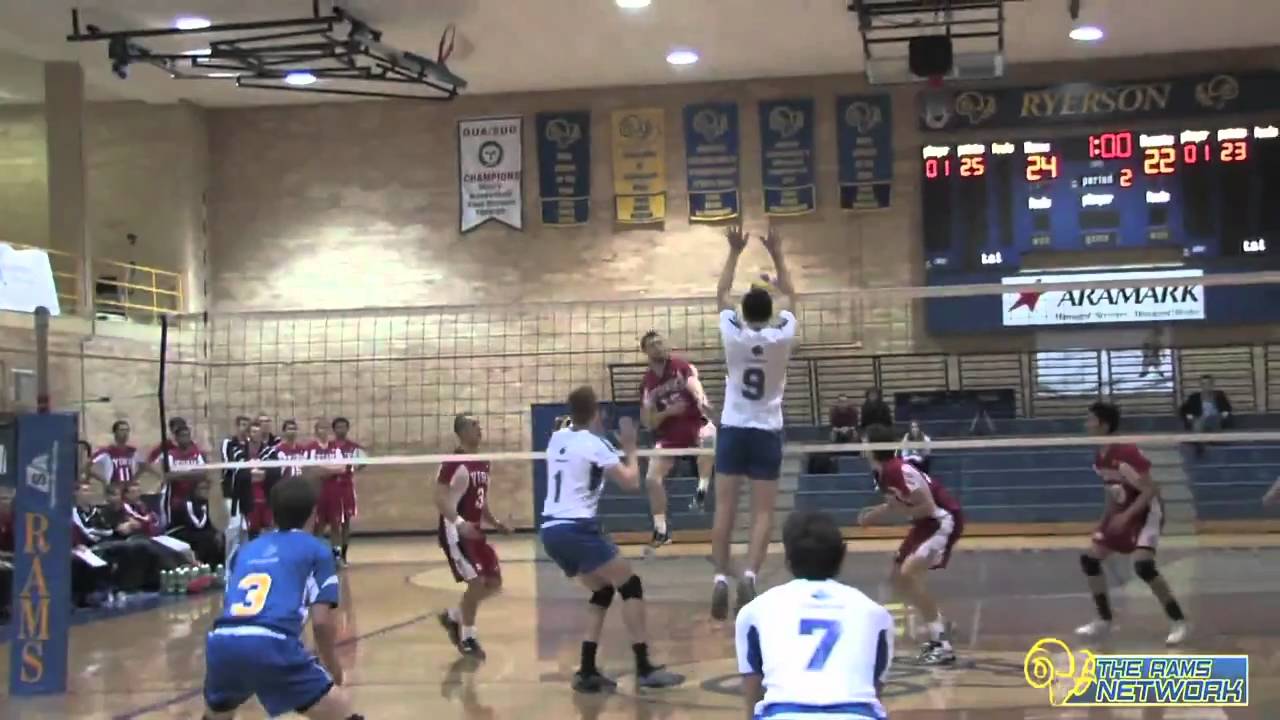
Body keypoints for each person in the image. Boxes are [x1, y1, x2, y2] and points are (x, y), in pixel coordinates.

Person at [539, 385, 684, 693]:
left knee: (603, 590)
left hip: (550, 531)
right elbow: (631, 482)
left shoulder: (557, 438)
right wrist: (630, 448)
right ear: (596, 413)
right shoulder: (596, 444)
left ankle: (587, 670)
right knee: (630, 585)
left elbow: (567, 431)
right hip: (576, 529)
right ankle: (644, 668)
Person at [202, 476, 362, 720]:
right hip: (272, 643)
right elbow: (321, 623)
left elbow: (230, 603)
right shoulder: (317, 549)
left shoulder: (246, 550)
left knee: (217, 715)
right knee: (341, 711)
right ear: (314, 514)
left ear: (272, 514)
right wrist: (333, 668)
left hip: (223, 641)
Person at [710, 224, 798, 620]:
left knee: (724, 508)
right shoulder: (782, 337)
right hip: (766, 431)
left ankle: (720, 579)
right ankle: (749, 575)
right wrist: (776, 253)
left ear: (743, 312)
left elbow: (721, 293)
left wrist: (734, 251)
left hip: (733, 429)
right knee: (763, 512)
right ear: (770, 312)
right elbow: (792, 297)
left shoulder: (733, 333)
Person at [736, 511, 893, 720]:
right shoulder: (875, 613)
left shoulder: (753, 611)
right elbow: (874, 692)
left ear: (787, 559)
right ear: (842, 556)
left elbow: (752, 691)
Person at [1076, 401, 1188, 646]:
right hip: (1122, 511)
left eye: (1091, 420)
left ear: (1104, 425)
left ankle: (1178, 621)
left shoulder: (1126, 452)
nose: (1086, 424)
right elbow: (1111, 492)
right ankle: (1104, 619)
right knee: (1090, 560)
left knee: (1143, 566)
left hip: (1147, 512)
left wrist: (1126, 517)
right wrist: (1105, 522)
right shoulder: (1100, 457)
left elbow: (1150, 490)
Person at [860, 424, 962, 666]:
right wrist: (872, 516)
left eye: (864, 442)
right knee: (897, 576)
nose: (861, 448)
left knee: (907, 574)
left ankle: (942, 643)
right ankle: (940, 626)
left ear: (874, 447)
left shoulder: (897, 470)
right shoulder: (882, 473)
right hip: (925, 523)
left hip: (941, 519)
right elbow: (895, 504)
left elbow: (927, 506)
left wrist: (904, 512)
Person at [436, 413, 512, 660]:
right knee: (477, 583)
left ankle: (454, 616)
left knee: (494, 583)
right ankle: (467, 637)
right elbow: (439, 498)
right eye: (473, 425)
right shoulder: (453, 461)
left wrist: (496, 523)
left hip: (476, 532)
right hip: (455, 532)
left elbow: (481, 499)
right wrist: (459, 523)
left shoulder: (483, 462)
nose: (479, 428)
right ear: (461, 432)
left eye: (479, 424)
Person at [639, 329, 716, 546]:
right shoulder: (648, 383)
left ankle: (701, 491)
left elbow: (695, 386)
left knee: (709, 435)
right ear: (645, 351)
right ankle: (661, 530)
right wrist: (668, 413)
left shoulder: (681, 366)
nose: (659, 346)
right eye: (653, 344)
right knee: (652, 478)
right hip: (671, 434)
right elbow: (648, 422)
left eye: (660, 342)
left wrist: (701, 400)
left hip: (694, 423)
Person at [149, 422, 210, 528]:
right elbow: (168, 476)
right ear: (176, 438)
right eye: (182, 436)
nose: (185, 438)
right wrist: (191, 473)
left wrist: (180, 474)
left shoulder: (196, 454)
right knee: (172, 526)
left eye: (187, 435)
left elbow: (203, 473)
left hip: (193, 500)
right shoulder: (170, 455)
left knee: (194, 526)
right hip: (173, 499)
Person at [325, 417, 364, 565]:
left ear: (347, 429)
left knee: (346, 523)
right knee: (334, 524)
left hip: (347, 487)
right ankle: (335, 555)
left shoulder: (354, 447)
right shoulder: (328, 447)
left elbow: (363, 462)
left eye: (343, 427)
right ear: (334, 429)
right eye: (338, 427)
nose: (341, 430)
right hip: (332, 487)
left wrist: (356, 467)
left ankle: (344, 555)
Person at [89, 420, 149, 488]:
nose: (125, 433)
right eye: (122, 430)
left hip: (128, 488)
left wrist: (134, 479)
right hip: (113, 488)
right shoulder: (106, 451)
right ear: (115, 432)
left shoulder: (132, 451)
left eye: (127, 430)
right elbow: (86, 467)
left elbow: (144, 466)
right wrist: (103, 481)